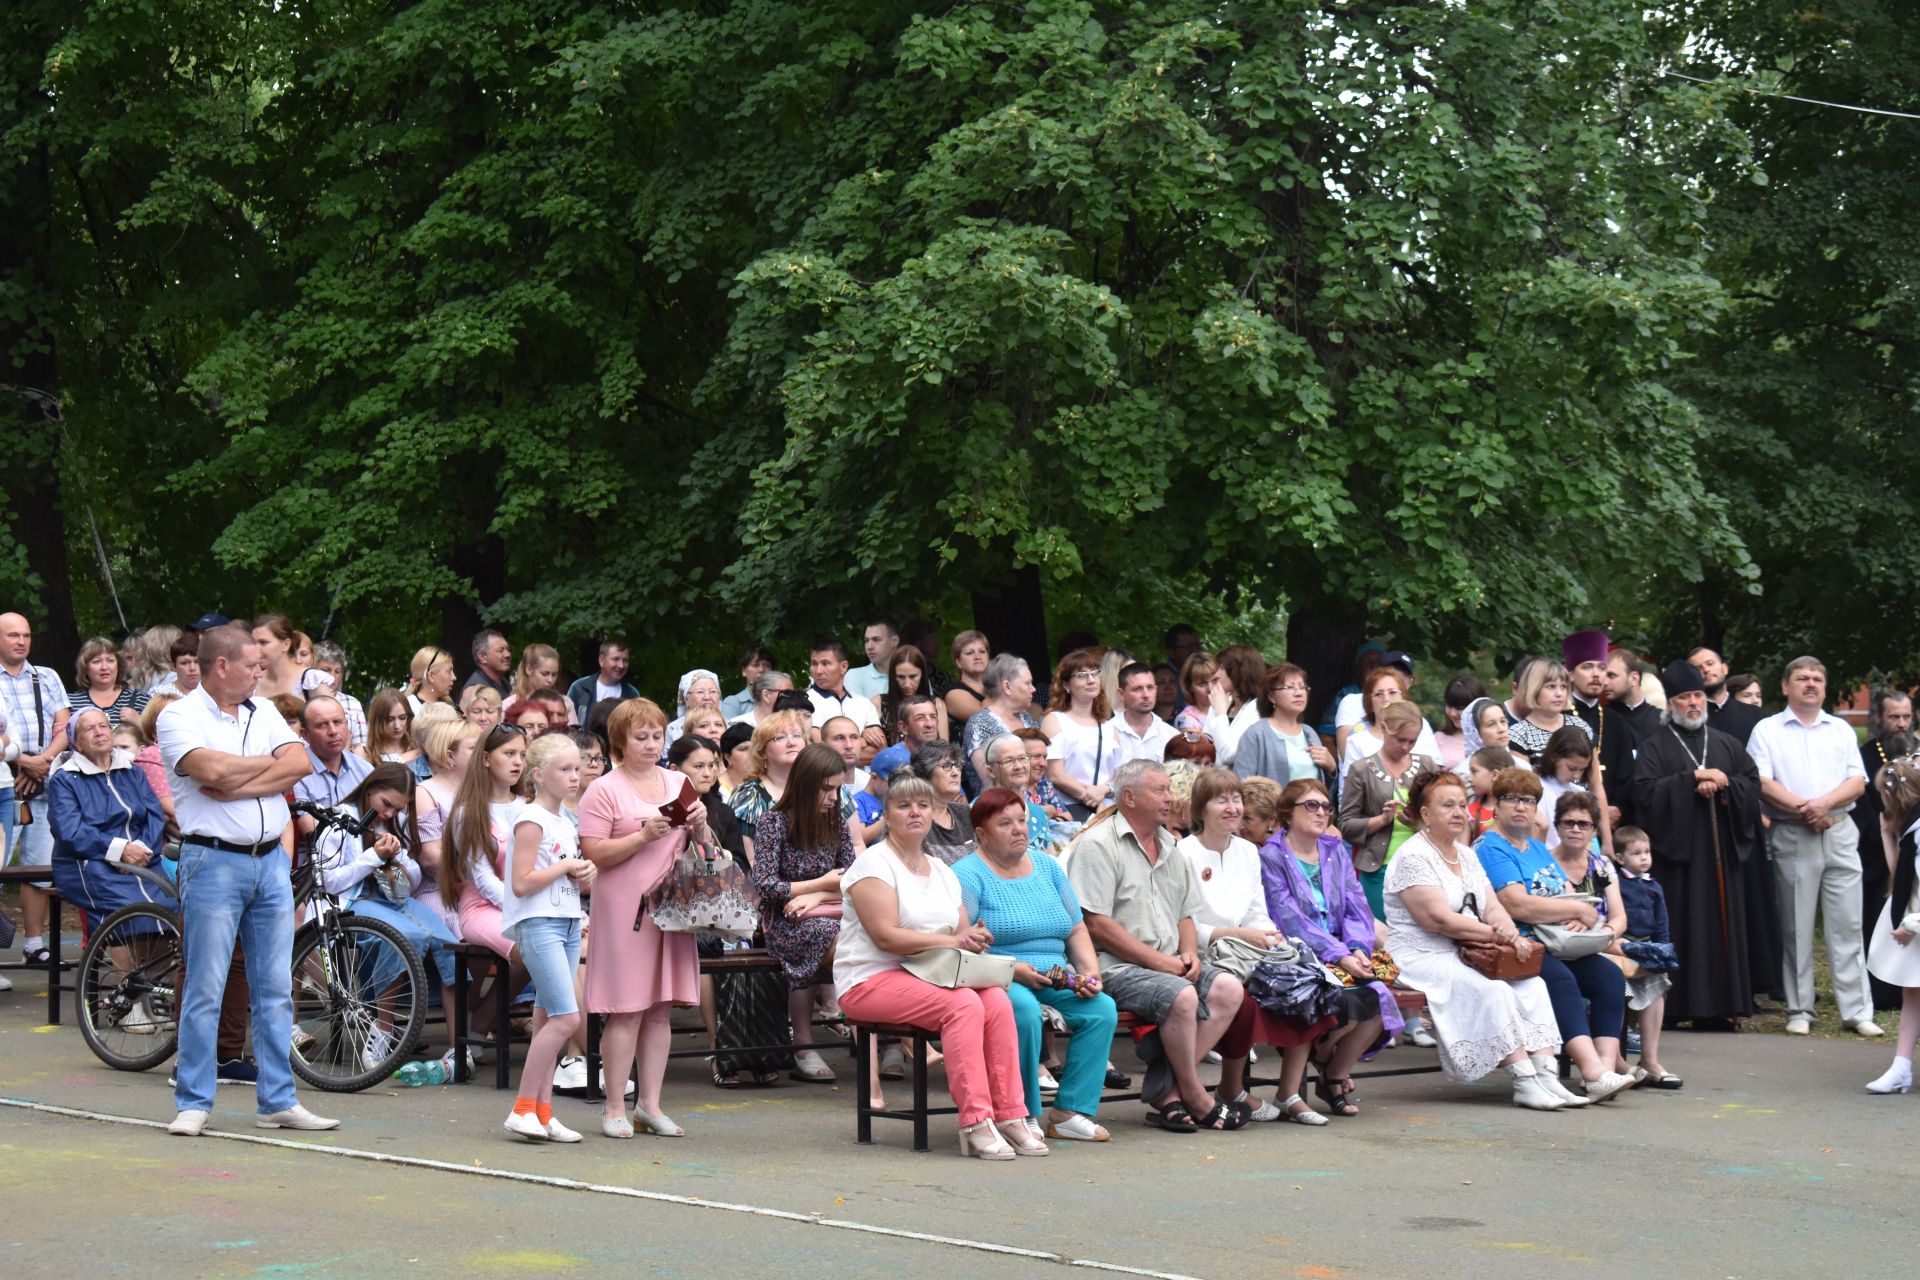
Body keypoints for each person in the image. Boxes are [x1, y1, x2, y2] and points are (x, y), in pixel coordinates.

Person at [155, 624, 336, 1136]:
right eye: (253, 665)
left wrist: (237, 785)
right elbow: (207, 768)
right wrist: (261, 771)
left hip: (269, 860)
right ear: (221, 666)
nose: (261, 672)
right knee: (206, 986)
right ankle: (193, 1100)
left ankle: (278, 1099)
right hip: (211, 860)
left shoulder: (263, 711)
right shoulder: (178, 715)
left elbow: (299, 762)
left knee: (276, 986)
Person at [835, 773, 1040, 1158]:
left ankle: (1011, 1114)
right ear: (887, 814)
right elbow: (886, 937)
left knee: (995, 998)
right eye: (904, 805)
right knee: (963, 1005)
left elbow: (963, 933)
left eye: (923, 805)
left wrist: (976, 939)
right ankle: (976, 1122)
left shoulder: (943, 870)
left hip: (932, 973)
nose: (915, 812)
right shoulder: (873, 864)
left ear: (934, 813)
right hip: (869, 979)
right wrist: (954, 940)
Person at [1069, 758, 1246, 1132]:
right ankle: (1195, 1095)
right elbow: (1096, 924)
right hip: (1115, 966)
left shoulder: (1170, 843)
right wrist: (1163, 963)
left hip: (1169, 962)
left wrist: (1188, 952)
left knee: (1229, 988)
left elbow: (1186, 911)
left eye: (1169, 789)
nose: (1170, 798)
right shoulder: (1098, 844)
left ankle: (1169, 1091)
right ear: (1129, 797)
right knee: (1182, 995)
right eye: (1159, 790)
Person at [1383, 771, 1568, 1109]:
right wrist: (1498, 935)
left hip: (1470, 950)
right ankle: (1524, 1081)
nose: (1458, 813)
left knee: (1533, 985)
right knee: (1493, 989)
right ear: (1425, 814)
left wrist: (1508, 930)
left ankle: (1548, 1077)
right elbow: (1437, 920)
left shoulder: (1466, 854)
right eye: (1447, 806)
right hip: (1421, 955)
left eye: (1461, 805)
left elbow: (1493, 905)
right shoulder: (1413, 856)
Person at [1178, 768, 1346, 1124]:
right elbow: (1183, 922)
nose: (1231, 807)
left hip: (1248, 950)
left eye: (1236, 799)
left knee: (1304, 982)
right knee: (1249, 1003)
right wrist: (1238, 936)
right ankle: (1229, 1088)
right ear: (1201, 808)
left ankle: (1290, 1093)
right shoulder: (1185, 852)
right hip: (1208, 952)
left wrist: (1272, 937)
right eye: (1220, 800)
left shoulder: (1246, 851)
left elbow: (1257, 911)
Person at [955, 788, 1118, 1142]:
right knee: (1024, 1011)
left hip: (1056, 974)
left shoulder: (1048, 866)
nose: (1019, 830)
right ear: (981, 834)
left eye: (1022, 821)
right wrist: (1014, 971)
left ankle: (1070, 1112)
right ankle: (1022, 1111)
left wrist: (1090, 972)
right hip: (998, 975)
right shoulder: (967, 874)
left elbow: (1076, 927)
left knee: (1101, 1009)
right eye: (1005, 824)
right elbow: (961, 942)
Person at [579, 698, 710, 1137]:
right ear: (621, 741)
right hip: (624, 909)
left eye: (657, 735)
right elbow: (595, 853)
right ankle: (614, 1106)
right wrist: (642, 835)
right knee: (626, 1009)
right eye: (641, 737)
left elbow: (704, 848)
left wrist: (701, 825)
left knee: (659, 1010)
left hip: (672, 908)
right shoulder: (604, 789)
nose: (652, 744)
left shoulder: (678, 781)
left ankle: (650, 1105)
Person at [1475, 769, 1636, 1102]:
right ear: (1497, 804)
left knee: (1608, 976)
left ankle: (1603, 1074)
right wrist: (1573, 912)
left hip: (1555, 940)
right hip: (1516, 944)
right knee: (1561, 980)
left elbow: (1562, 893)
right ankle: (1591, 1069)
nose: (1521, 807)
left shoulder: (1535, 847)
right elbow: (1516, 904)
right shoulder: (1491, 847)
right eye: (1512, 799)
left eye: (1529, 801)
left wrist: (1577, 919)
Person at [1625, 659, 1768, 1028]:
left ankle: (1720, 1009)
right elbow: (1643, 793)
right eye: (1685, 697)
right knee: (1679, 927)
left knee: (1720, 930)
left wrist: (1724, 785)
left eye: (1698, 696)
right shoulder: (1655, 746)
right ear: (1671, 704)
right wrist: (1690, 780)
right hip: (1679, 860)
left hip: (1721, 857)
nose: (1693, 703)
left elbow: (1751, 785)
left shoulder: (1726, 744)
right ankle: (1674, 1008)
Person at [1748, 655, 1879, 1036]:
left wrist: (1822, 805)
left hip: (1838, 830)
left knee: (1848, 925)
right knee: (1796, 925)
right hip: (1792, 832)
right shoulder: (1767, 730)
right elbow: (1762, 782)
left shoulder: (1839, 729)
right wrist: (1806, 810)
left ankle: (1856, 1011)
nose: (1811, 684)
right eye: (1802, 678)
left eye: (1818, 679)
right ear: (1786, 686)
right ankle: (1799, 1009)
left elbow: (1857, 782)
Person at [1260, 778, 1406, 1102]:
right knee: (1345, 1002)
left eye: (1326, 806)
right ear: (1287, 812)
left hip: (1344, 949)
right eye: (1311, 805)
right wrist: (1340, 954)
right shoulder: (1271, 855)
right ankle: (1324, 1057)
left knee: (1379, 1000)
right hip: (1297, 952)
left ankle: (1333, 1073)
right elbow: (1287, 917)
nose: (1321, 812)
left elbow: (1357, 907)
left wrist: (1357, 947)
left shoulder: (1334, 850)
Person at [311, 762, 463, 1060]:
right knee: (404, 938)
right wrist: (374, 857)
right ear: (370, 789)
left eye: (398, 808)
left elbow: (413, 879)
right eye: (387, 805)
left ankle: (460, 1047)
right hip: (353, 901)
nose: (391, 813)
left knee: (451, 946)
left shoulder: (395, 823)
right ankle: (381, 1031)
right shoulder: (341, 819)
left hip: (395, 900)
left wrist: (400, 864)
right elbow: (329, 880)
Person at [500, 735, 596, 1142]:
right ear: (538, 775)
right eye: (565, 769)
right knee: (566, 1017)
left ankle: (541, 1112)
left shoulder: (564, 821)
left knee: (545, 1018)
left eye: (578, 768)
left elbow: (559, 870)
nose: (575, 776)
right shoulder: (531, 819)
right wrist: (567, 867)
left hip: (567, 920)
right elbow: (521, 883)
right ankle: (523, 1108)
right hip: (540, 924)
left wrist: (583, 875)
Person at [751, 742, 859, 1084]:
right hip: (782, 919)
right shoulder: (775, 822)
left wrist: (816, 894)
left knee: (855, 937)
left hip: (827, 911)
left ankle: (877, 1034)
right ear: (806, 784)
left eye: (838, 788)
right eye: (826, 789)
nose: (832, 797)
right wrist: (820, 885)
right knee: (833, 939)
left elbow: (852, 880)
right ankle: (804, 1043)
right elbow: (766, 886)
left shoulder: (836, 823)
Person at [441, 724, 535, 1040]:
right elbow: (483, 881)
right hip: (482, 907)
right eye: (508, 754)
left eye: (522, 755)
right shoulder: (468, 813)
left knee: (551, 943)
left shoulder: (527, 807)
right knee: (534, 945)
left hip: (523, 904)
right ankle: (479, 1026)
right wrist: (527, 910)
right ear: (484, 759)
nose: (517, 762)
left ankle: (479, 1025)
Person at [47, 708, 172, 927]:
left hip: (142, 859)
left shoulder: (132, 771)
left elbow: (154, 816)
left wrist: (140, 849)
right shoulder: (66, 779)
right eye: (89, 729)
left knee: (172, 909)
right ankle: (121, 960)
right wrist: (121, 851)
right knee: (131, 913)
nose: (99, 732)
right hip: (91, 863)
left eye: (103, 726)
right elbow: (70, 831)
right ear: (76, 742)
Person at [1, 612, 71, 971]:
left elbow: (65, 724)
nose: (21, 641)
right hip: (4, 780)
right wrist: (22, 764)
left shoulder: (46, 676)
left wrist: (41, 761)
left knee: (39, 868)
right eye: (13, 635)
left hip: (42, 783)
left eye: (26, 635)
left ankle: (34, 945)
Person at [1337, 700, 1440, 920]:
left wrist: (1417, 821)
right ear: (1383, 728)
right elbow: (1345, 824)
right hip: (1378, 869)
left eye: (1412, 741)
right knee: (1384, 940)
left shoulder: (1427, 766)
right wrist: (1381, 820)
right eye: (1400, 739)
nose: (1406, 747)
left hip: (1424, 867)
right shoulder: (1362, 770)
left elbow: (1442, 817)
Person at [1611, 824, 1682, 1088]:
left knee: (1656, 986)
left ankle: (1649, 1060)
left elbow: (1661, 921)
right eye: (1636, 853)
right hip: (1621, 945)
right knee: (1616, 988)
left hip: (1647, 946)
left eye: (1647, 852)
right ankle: (1614, 1058)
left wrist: (1663, 951)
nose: (1644, 858)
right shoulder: (1616, 883)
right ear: (1619, 858)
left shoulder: (1654, 887)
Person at [1865, 757, 1920, 1094]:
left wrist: (1912, 923)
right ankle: (1901, 1066)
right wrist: (1888, 835)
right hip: (1914, 918)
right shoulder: (1911, 830)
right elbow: (1901, 876)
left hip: (1916, 920)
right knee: (1912, 992)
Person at [1859, 689, 1915, 1009]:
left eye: (1906, 717)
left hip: (1914, 852)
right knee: (1879, 926)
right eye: (1894, 717)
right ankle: (1880, 992)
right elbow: (1863, 809)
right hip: (1876, 856)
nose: (1901, 724)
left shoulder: (1918, 752)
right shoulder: (1866, 755)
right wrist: (1884, 835)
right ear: (1880, 718)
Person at [412, 716, 480, 939]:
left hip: (481, 886)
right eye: (474, 748)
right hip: (441, 890)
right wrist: (479, 873)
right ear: (450, 756)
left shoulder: (484, 792)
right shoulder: (425, 792)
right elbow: (431, 857)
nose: (483, 754)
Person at [1564, 630, 1635, 829]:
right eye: (1587, 667)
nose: (1596, 674)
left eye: (1601, 668)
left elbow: (1627, 773)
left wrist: (1617, 807)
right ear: (1570, 674)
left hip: (1611, 821)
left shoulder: (1615, 721)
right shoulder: (1560, 717)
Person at [1040, 648, 1119, 820]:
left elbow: (1120, 775)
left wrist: (1103, 791)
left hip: (1109, 810)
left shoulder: (1108, 727)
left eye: (1094, 673)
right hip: (1070, 810)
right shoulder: (1054, 720)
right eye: (1081, 675)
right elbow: (1055, 775)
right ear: (1067, 685)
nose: (1091, 680)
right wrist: (1094, 799)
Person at [1233, 663, 1335, 785]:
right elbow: (1242, 785)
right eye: (1290, 687)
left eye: (1303, 687)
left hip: (1312, 804)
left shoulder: (1309, 732)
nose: (1299, 693)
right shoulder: (1256, 734)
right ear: (1271, 697)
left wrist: (1332, 768)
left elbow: (1325, 787)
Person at [728, 709, 812, 858]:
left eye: (797, 735)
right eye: (780, 737)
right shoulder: (748, 795)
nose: (791, 742)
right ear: (762, 751)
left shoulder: (825, 785)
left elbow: (856, 844)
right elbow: (747, 862)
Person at [961, 654, 1040, 797]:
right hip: (1001, 809)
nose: (1033, 689)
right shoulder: (980, 724)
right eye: (1027, 683)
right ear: (1007, 687)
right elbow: (990, 781)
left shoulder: (1029, 720)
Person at [1339, 665, 1441, 772]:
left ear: (1404, 697)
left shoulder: (1421, 728)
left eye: (1392, 692)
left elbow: (1435, 776)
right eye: (1379, 694)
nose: (1386, 699)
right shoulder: (1357, 740)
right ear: (1369, 703)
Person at [1199, 643, 1267, 768]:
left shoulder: (1258, 709)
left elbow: (1229, 755)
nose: (1216, 675)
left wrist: (1220, 713)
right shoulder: (1222, 702)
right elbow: (1203, 748)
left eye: (1222, 668)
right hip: (1211, 781)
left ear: (1240, 671)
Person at [910, 740, 978, 864]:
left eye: (957, 765)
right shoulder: (912, 818)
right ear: (924, 773)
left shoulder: (966, 812)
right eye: (947, 766)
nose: (956, 772)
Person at [1688, 647, 1765, 746]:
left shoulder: (1757, 716)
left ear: (1725, 668)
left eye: (1710, 663)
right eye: (1698, 668)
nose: (1706, 669)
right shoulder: (1687, 721)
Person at [804, 640, 880, 740]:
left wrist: (832, 742)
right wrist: (861, 740)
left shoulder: (864, 704)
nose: (818, 671)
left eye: (825, 663)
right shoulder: (804, 703)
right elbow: (818, 750)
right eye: (814, 664)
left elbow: (880, 748)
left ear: (843, 667)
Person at [876, 644, 949, 744]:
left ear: (922, 675)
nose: (907, 684)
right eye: (901, 677)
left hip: (929, 759)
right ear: (893, 676)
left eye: (913, 676)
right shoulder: (879, 703)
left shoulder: (937, 704)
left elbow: (944, 748)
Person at [69, 636, 149, 727]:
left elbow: (158, 739)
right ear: (85, 667)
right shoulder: (70, 703)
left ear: (118, 665)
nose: (104, 667)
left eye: (110, 660)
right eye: (96, 661)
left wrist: (139, 722)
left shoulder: (141, 700)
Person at [1110, 662, 1178, 767]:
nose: (1146, 695)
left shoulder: (1171, 736)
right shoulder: (1106, 733)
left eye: (1150, 688)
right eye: (1137, 689)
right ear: (1121, 694)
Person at [1533, 726, 1595, 843]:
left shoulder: (1580, 793)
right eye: (1572, 768)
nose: (1576, 776)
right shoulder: (1536, 787)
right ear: (1554, 757)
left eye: (1582, 770)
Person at [310, 641, 368, 749]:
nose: (332, 676)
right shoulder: (301, 700)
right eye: (326, 670)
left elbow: (361, 747)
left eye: (337, 671)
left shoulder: (352, 704)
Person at [566, 640, 639, 726]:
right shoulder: (579, 687)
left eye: (625, 660)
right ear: (601, 660)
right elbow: (568, 723)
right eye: (616, 659)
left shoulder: (632, 694)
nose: (621, 665)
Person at [1605, 648, 1660, 745]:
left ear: (1634, 678)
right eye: (1604, 676)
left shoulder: (1660, 720)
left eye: (1611, 676)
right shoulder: (1601, 718)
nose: (1604, 682)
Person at [1432, 676, 1485, 772]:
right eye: (1449, 705)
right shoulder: (1438, 739)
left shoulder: (1491, 738)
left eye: (1460, 708)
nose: (1452, 713)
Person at [249, 614, 305, 702]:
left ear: (285, 644)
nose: (256, 649)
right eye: (253, 642)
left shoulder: (310, 680)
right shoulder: (252, 680)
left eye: (263, 642)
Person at [944, 629, 991, 729]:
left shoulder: (996, 686)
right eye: (970, 653)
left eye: (982, 651)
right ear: (958, 662)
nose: (978, 657)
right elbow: (986, 718)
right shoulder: (953, 692)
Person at [847, 616, 901, 700]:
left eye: (876, 640)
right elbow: (856, 712)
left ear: (894, 641)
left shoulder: (912, 674)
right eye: (866, 640)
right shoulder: (855, 676)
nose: (869, 646)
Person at [666, 668, 723, 747]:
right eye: (700, 692)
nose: (707, 697)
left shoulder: (731, 725)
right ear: (686, 699)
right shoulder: (671, 731)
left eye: (712, 691)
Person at [361, 688, 418, 765]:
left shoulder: (418, 749)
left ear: (409, 717)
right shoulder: (365, 753)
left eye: (402, 718)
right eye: (390, 719)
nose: (397, 726)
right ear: (378, 721)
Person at [719, 645, 775, 721]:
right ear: (744, 671)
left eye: (767, 666)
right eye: (755, 665)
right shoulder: (733, 703)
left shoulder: (779, 701)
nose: (761, 670)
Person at [731, 670, 796, 728]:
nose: (792, 698)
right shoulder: (738, 725)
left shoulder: (796, 725)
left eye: (793, 694)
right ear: (766, 695)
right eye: (787, 693)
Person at [1172, 653, 1218, 735]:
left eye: (1214, 680)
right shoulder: (1186, 720)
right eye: (1202, 683)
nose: (1210, 689)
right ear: (1189, 686)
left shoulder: (1229, 709)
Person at [405, 646, 457, 714]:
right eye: (449, 672)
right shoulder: (411, 710)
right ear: (431, 676)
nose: (454, 677)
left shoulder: (451, 706)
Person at [464, 629, 513, 698]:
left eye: (508, 649)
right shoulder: (474, 690)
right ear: (482, 657)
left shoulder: (504, 682)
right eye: (500, 650)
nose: (507, 654)